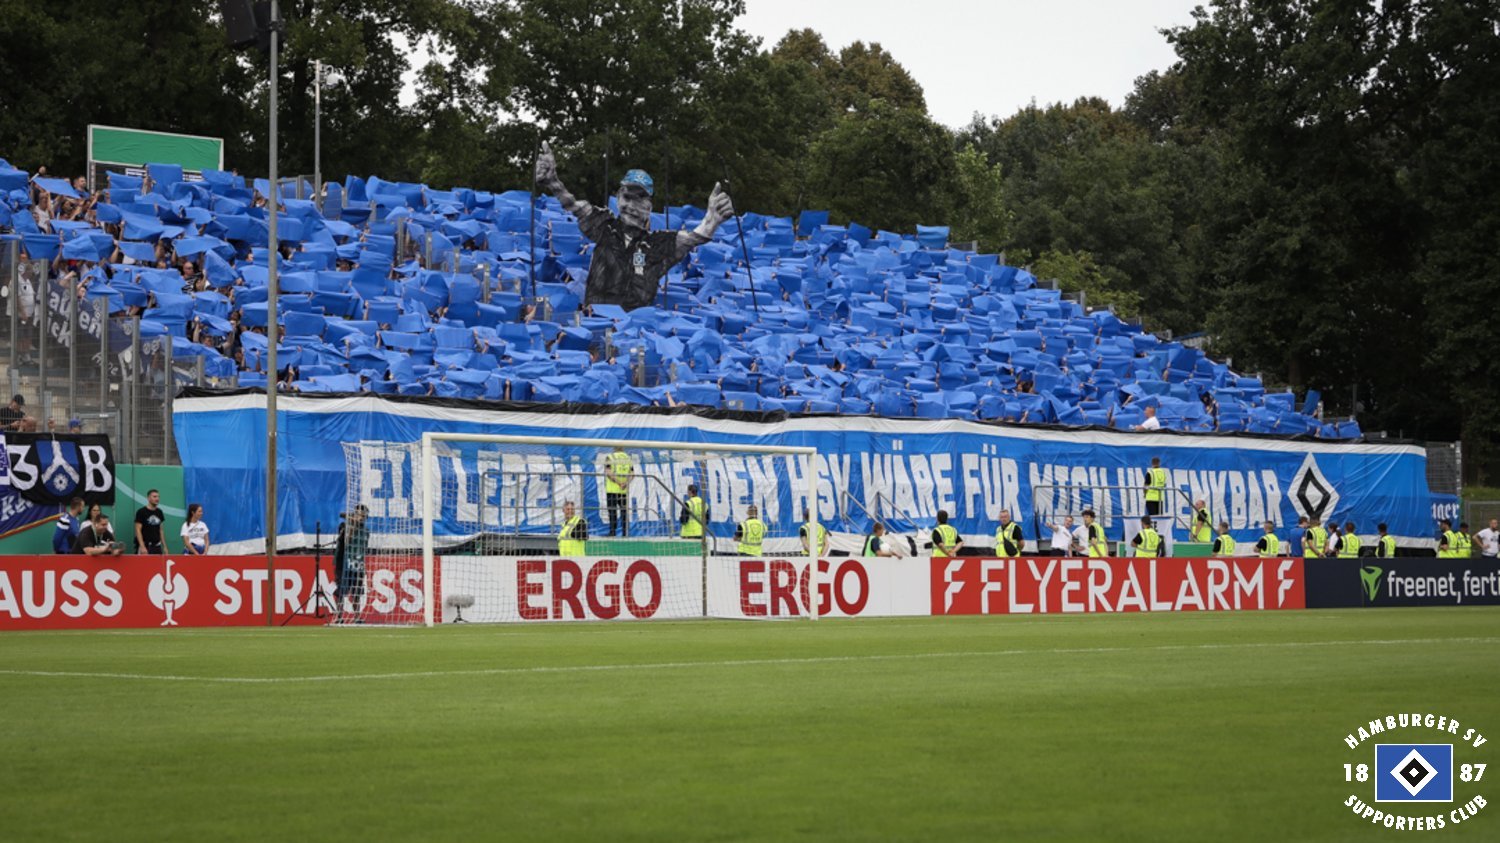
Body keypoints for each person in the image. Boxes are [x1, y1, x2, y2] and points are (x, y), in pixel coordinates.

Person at [534, 143, 734, 310]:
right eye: (627, 198)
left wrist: (712, 221)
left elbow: (693, 238)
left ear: (649, 206)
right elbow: (574, 205)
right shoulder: (604, 227)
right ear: (619, 198)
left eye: (639, 200)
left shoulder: (658, 244)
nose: (631, 206)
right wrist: (553, 182)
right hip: (595, 324)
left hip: (634, 332)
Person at [334, 505, 369, 619]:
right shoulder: (344, 526)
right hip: (343, 562)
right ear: (355, 514)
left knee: (357, 593)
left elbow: (362, 549)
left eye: (364, 516)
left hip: (357, 564)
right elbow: (347, 541)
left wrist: (363, 564)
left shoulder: (366, 531)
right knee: (341, 591)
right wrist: (353, 523)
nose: (362, 518)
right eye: (360, 515)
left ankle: (357, 617)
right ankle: (339, 616)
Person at [603, 445, 633, 537]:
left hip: (612, 490)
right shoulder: (628, 458)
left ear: (614, 449)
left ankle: (612, 532)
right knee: (624, 512)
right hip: (623, 491)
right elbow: (632, 473)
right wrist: (625, 483)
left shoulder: (610, 457)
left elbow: (608, 472)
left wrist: (618, 482)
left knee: (612, 512)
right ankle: (625, 533)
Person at [134, 488, 166, 554]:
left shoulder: (159, 512)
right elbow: (137, 530)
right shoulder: (141, 512)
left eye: (158, 497)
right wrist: (142, 546)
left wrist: (165, 546)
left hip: (157, 546)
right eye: (154, 496)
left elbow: (161, 530)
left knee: (158, 564)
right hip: (146, 546)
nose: (157, 499)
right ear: (148, 498)